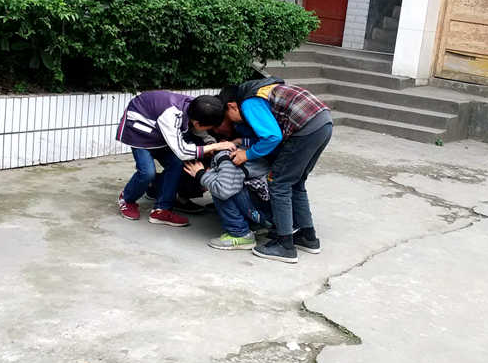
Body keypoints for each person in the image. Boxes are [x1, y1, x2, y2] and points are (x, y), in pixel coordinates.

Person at [218, 78, 332, 263]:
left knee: (278, 183)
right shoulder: (261, 90)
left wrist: (246, 155)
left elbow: (272, 137)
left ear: (232, 106)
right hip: (322, 122)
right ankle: (307, 236)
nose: (232, 124)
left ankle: (285, 245)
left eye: (227, 117)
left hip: (305, 127)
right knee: (296, 183)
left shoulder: (248, 102)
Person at [115, 91, 233, 226]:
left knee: (176, 163)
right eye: (210, 127)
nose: (212, 129)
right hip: (139, 132)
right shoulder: (171, 115)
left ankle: (162, 210)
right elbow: (182, 151)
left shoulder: (197, 107)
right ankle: (127, 199)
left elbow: (197, 130)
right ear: (198, 123)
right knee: (147, 172)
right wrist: (215, 146)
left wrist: (209, 142)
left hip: (160, 131)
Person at [183, 150, 272, 250]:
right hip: (270, 211)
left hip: (266, 215)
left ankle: (240, 234)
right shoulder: (228, 155)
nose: (204, 190)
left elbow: (223, 190)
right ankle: (255, 226)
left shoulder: (226, 160)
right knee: (223, 183)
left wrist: (201, 175)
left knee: (218, 187)